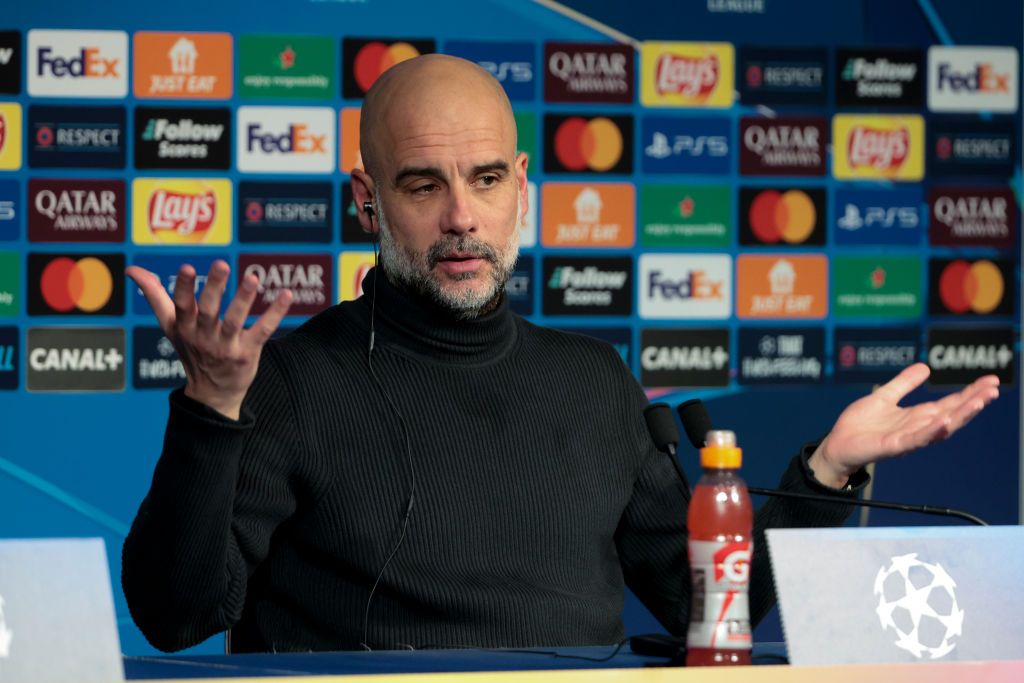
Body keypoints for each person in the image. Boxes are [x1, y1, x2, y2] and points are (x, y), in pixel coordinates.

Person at [122, 55, 1000, 654]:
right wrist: (210, 409)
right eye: (424, 184)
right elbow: (175, 614)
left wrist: (827, 470)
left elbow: (702, 607)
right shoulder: (293, 382)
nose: (461, 216)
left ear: (523, 189)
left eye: (487, 180)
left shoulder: (591, 381)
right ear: (368, 199)